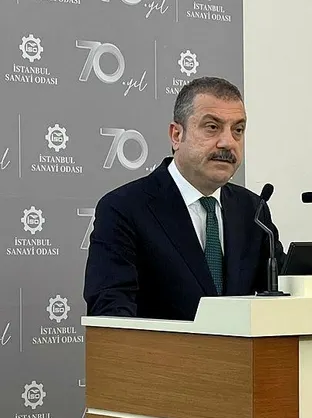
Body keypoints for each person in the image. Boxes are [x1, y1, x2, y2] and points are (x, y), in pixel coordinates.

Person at [83, 76, 285, 320]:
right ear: (176, 135)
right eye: (212, 127)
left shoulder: (253, 210)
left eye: (238, 130)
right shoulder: (124, 208)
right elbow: (111, 311)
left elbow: (284, 292)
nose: (228, 142)